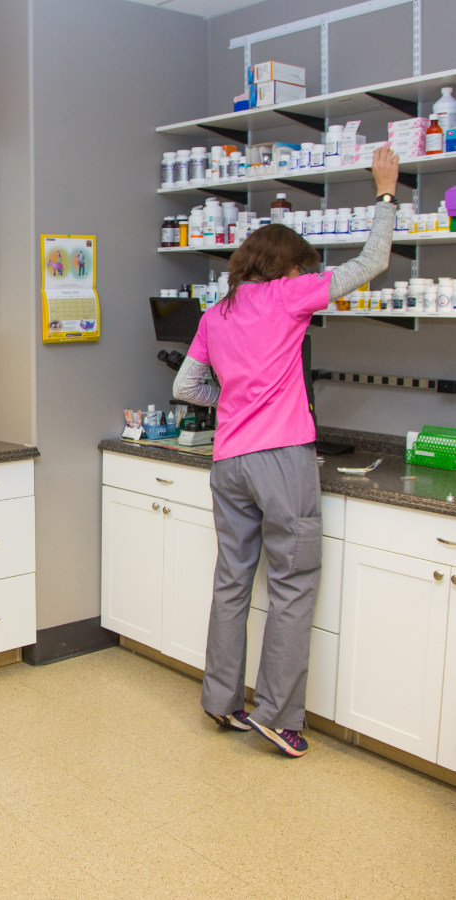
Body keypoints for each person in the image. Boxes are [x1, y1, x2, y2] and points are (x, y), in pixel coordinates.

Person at [172, 146, 400, 758]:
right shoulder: (289, 296)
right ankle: (277, 715)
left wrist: (236, 396)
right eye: (301, 265)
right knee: (294, 585)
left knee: (231, 582)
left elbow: (185, 387)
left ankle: (222, 702)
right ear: (287, 268)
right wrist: (385, 191)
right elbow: (373, 260)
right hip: (282, 459)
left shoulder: (215, 313)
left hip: (229, 462)